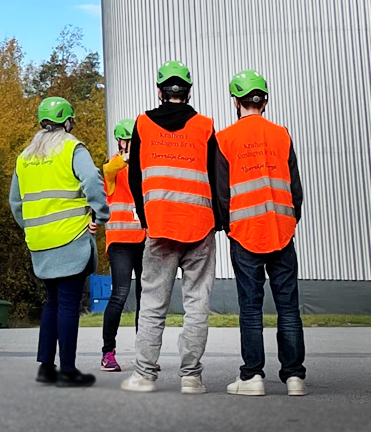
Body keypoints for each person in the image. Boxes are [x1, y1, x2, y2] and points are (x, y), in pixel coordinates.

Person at [120, 61, 227, 396]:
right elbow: (216, 177)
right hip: (200, 228)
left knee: (152, 303)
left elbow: (134, 177)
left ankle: (143, 375)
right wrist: (219, 222)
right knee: (197, 304)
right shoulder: (205, 126)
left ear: (160, 91)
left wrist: (146, 216)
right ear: (189, 92)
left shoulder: (142, 124)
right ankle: (191, 377)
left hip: (160, 226)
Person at [10, 95, 110, 387]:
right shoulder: (71, 147)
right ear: (67, 121)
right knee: (68, 305)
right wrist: (100, 214)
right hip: (71, 239)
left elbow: (15, 202)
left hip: (39, 243)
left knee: (51, 303)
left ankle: (45, 367)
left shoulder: (25, 157)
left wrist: (32, 229)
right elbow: (92, 179)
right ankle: (67, 370)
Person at [217, 70, 306, 397]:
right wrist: (289, 221)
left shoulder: (225, 138)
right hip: (281, 231)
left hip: (245, 233)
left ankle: (252, 376)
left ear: (236, 101)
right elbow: (296, 190)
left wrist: (230, 227)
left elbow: (222, 193)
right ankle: (295, 377)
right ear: (264, 100)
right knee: (288, 306)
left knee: (251, 307)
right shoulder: (282, 135)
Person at [98, 117, 144, 372]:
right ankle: (108, 352)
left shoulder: (143, 167)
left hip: (144, 239)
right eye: (129, 139)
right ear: (121, 141)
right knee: (120, 294)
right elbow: (108, 170)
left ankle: (144, 353)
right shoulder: (113, 168)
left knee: (145, 298)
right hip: (121, 242)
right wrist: (127, 157)